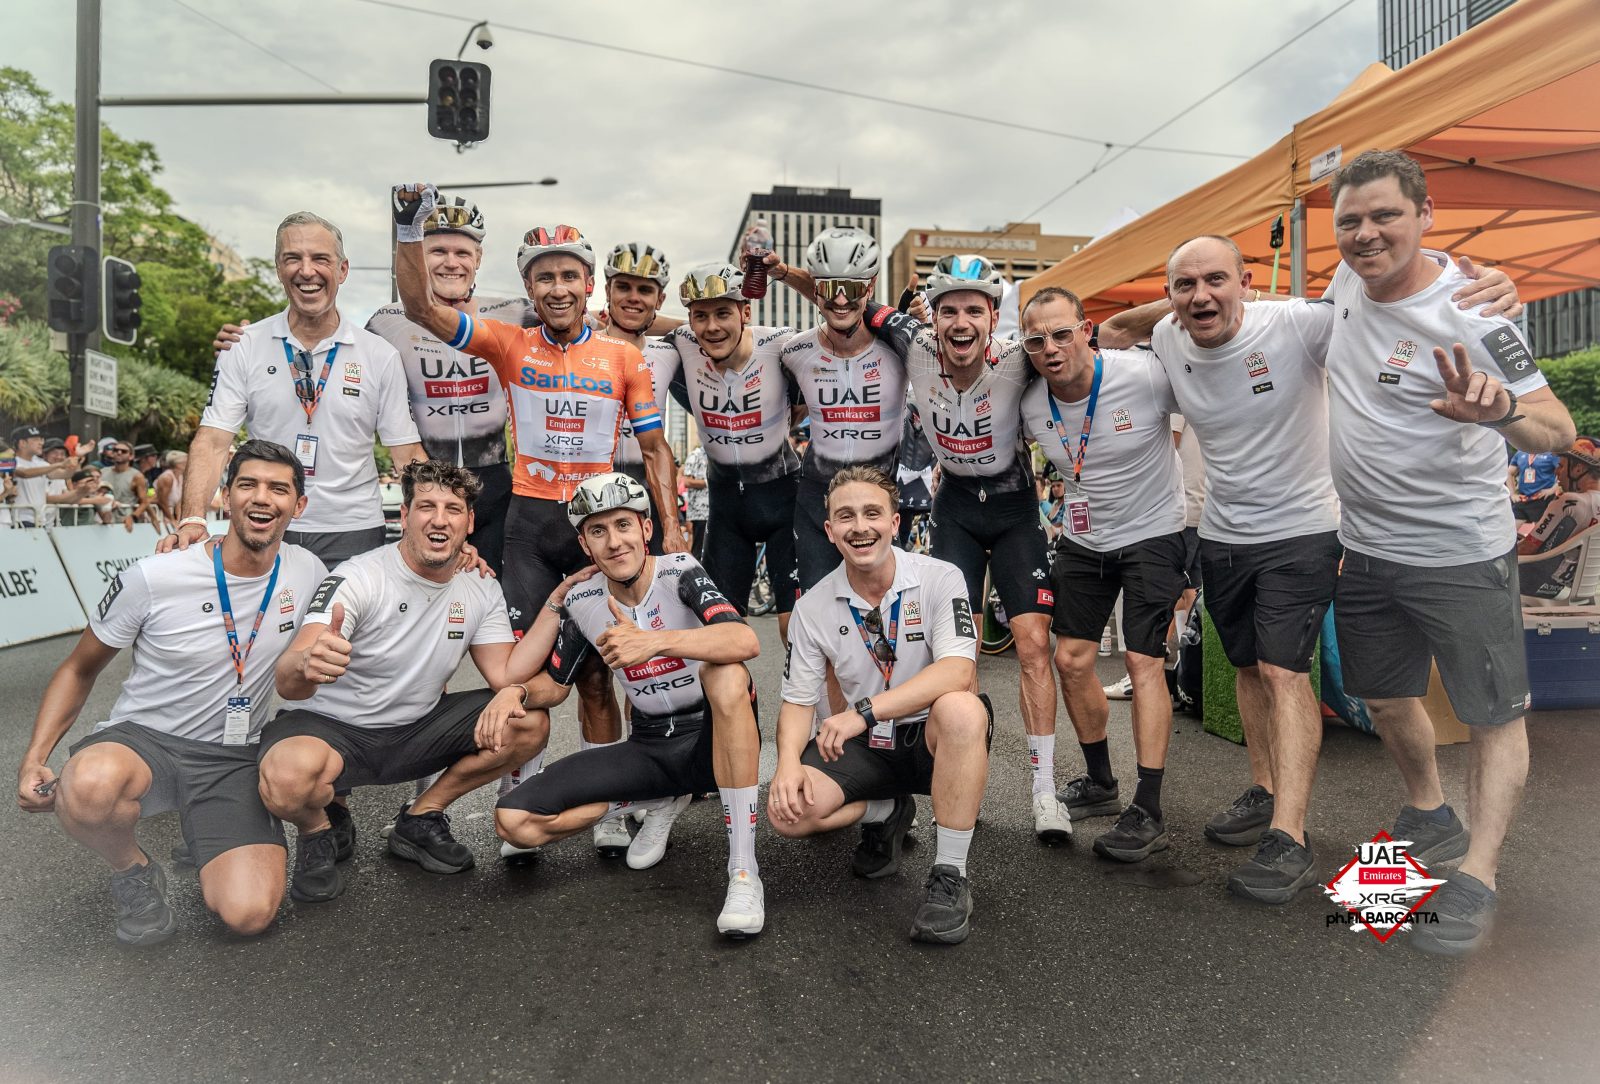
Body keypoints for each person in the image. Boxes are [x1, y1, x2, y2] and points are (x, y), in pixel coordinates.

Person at [1100, 233, 1521, 903]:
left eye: (1217, 280)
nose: (1202, 296)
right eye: (1186, 286)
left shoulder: (1297, 323)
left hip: (1304, 529)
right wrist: (1172, 309)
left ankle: (1288, 837)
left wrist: (1469, 286)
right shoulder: (1172, 339)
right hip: (1223, 534)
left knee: (1282, 670)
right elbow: (1112, 328)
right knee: (1244, 667)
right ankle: (1266, 789)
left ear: (1247, 280)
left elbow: (1390, 319)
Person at [1323, 150, 1575, 955]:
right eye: (1351, 221)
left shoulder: (1476, 312)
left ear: (1425, 214)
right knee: (1385, 698)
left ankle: (1479, 873)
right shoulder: (1341, 288)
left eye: (1385, 216)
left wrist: (1497, 411)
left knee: (1491, 714)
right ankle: (1430, 814)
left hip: (1461, 554)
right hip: (1366, 551)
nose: (1366, 235)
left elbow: (1557, 428)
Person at [392, 184, 685, 860]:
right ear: (530, 286)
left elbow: (654, 449)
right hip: (529, 527)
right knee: (515, 677)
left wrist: (672, 529)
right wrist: (408, 228)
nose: (557, 287)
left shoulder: (622, 358)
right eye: (544, 276)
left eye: (568, 276)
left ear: (589, 287)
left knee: (596, 676)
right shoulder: (508, 343)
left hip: (595, 529)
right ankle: (516, 794)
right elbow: (420, 307)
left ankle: (609, 802)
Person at [15, 440, 327, 944]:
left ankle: (211, 831)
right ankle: (133, 870)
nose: (262, 498)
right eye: (247, 485)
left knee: (248, 915)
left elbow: (384, 573)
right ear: (225, 497)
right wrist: (35, 757)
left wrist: (467, 551)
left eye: (278, 488)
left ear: (299, 505)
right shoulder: (156, 576)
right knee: (90, 786)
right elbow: (78, 669)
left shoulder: (307, 571)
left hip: (230, 757)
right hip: (146, 743)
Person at [489, 472, 766, 937]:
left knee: (726, 672)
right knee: (514, 822)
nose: (614, 541)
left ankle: (743, 871)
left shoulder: (679, 571)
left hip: (712, 735)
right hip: (651, 744)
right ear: (585, 544)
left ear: (645, 529)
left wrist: (655, 643)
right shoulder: (582, 600)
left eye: (622, 525)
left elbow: (744, 638)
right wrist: (515, 692)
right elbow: (555, 685)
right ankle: (652, 797)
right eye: (598, 531)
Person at [257, 460, 539, 902]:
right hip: (333, 732)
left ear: (469, 523)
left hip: (415, 732)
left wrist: (556, 609)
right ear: (404, 516)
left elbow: (505, 674)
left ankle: (421, 817)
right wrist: (307, 661)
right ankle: (318, 831)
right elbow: (290, 682)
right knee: (287, 776)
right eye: (426, 506)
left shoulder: (480, 587)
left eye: (453, 508)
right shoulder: (357, 575)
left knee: (528, 722)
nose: (439, 518)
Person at [859, 256, 1064, 844]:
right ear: (937, 318)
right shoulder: (913, 341)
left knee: (1033, 647)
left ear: (992, 317)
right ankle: (958, 777)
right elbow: (843, 300)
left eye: (974, 309)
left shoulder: (1019, 356)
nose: (960, 321)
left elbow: (1085, 344)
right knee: (958, 656)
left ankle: (1045, 790)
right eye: (950, 309)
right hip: (956, 514)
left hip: (1015, 510)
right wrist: (776, 269)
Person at [768, 466, 990, 944]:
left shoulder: (940, 577)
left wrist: (864, 710)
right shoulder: (813, 607)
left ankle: (950, 874)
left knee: (963, 709)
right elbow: (797, 700)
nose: (860, 526)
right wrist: (786, 763)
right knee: (788, 813)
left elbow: (957, 671)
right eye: (845, 516)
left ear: (895, 522)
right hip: (865, 744)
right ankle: (886, 811)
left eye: (872, 513)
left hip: (930, 735)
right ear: (829, 531)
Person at [1019, 287, 1191, 861]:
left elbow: (1207, 396)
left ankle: (1149, 803)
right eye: (1036, 339)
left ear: (1086, 329)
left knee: (1143, 660)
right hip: (1085, 537)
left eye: (1062, 333)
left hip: (1153, 532)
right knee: (1070, 660)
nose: (1050, 347)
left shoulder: (1140, 373)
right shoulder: (1029, 401)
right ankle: (1100, 781)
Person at [167, 211, 425, 565]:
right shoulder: (243, 346)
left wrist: (431, 519)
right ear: (278, 269)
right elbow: (213, 440)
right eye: (293, 259)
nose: (307, 271)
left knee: (339, 623)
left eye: (321, 259)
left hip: (353, 530)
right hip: (266, 525)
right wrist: (193, 518)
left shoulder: (380, 355)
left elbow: (406, 453)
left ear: (342, 270)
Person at [656, 263, 802, 631]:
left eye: (723, 313)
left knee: (795, 627)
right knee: (722, 631)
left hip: (784, 497)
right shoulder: (684, 343)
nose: (712, 327)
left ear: (745, 312)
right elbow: (635, 320)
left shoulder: (781, 344)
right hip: (726, 509)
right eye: (700, 316)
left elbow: (841, 328)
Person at [771, 227, 907, 591]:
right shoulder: (794, 351)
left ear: (872, 287)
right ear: (816, 290)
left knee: (883, 608)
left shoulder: (900, 347)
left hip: (881, 496)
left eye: (855, 288)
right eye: (830, 289)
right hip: (818, 501)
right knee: (816, 612)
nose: (842, 300)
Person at [600, 240, 679, 556]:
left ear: (660, 298)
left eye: (645, 291)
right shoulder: (579, 346)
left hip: (648, 500)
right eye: (624, 287)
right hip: (588, 495)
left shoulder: (670, 352)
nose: (633, 298)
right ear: (608, 291)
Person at [1517, 436, 1600, 597]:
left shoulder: (1569, 502)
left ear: (1578, 469)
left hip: (1540, 586)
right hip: (1586, 588)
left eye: (1561, 466)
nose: (1556, 473)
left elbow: (1527, 549)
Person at [8, 424, 77, 526]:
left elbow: (63, 475)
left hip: (40, 519)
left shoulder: (42, 464)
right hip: (20, 520)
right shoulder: (9, 461)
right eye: (36, 439)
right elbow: (24, 473)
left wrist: (74, 463)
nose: (41, 443)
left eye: (41, 439)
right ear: (22, 443)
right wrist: (60, 464)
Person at [1508, 449, 1561, 523]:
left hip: (1542, 499)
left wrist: (1552, 490)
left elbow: (1563, 472)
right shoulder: (1520, 452)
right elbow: (1509, 473)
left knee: (1539, 532)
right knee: (1510, 530)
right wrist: (1512, 494)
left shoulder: (1551, 454)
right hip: (1523, 499)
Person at [681, 444, 710, 560]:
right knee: (698, 549)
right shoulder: (695, 455)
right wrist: (709, 482)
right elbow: (687, 481)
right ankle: (694, 575)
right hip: (700, 513)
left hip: (714, 511)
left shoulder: (714, 455)